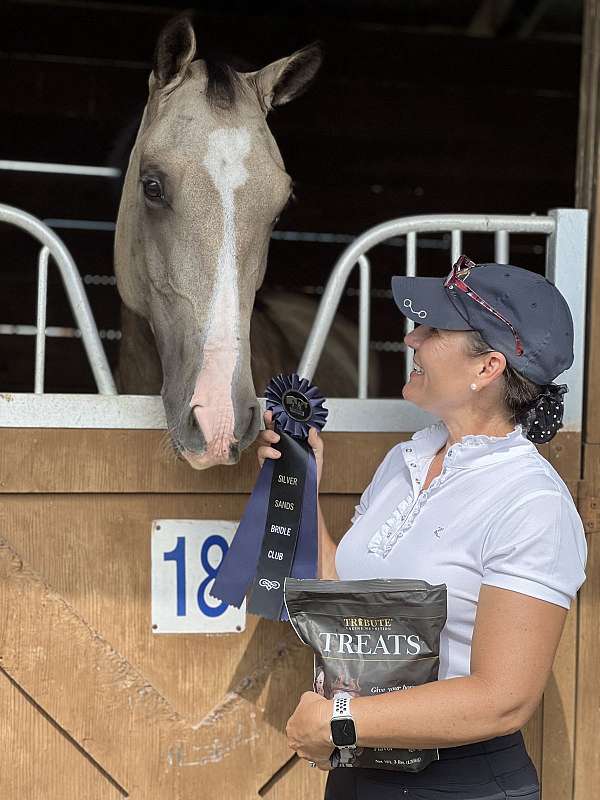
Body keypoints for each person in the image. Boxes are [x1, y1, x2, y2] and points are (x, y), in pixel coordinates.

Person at [257, 255, 587, 800]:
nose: (411, 339)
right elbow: (347, 591)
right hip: (361, 769)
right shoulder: (405, 461)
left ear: (488, 368)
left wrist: (341, 719)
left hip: (458, 783)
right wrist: (300, 482)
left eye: (434, 330)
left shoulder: (531, 502)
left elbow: (504, 697)